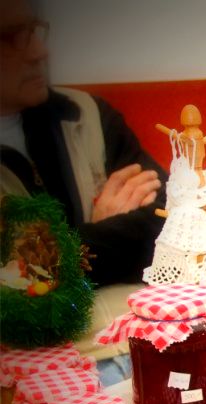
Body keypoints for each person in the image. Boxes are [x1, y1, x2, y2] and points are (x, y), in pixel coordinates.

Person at [0, 0, 166, 288]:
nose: (40, 52)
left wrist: (73, 248)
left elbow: (170, 221)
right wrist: (101, 234)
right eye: (12, 37)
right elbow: (16, 281)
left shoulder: (86, 114)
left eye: (33, 31)